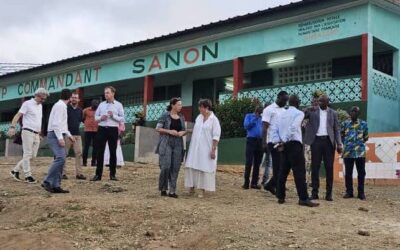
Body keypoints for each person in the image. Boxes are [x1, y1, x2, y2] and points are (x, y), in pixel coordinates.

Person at [271, 95, 319, 207]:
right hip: (294, 144)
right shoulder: (299, 113)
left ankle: (280, 196)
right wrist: (285, 140)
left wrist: (278, 142)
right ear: (297, 103)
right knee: (299, 173)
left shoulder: (281, 113)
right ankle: (303, 198)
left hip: (283, 145)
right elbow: (293, 128)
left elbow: (274, 129)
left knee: (283, 171)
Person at [304, 95, 343, 201]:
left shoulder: (333, 113)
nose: (319, 103)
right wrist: (308, 108)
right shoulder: (313, 111)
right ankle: (314, 193)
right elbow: (303, 114)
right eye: (318, 101)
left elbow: (336, 129)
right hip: (316, 141)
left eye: (321, 101)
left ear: (327, 102)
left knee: (329, 168)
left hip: (328, 142)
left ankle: (328, 194)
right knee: (315, 167)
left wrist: (339, 143)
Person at [8, 88, 49, 183]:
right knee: (27, 154)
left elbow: (38, 120)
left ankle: (15, 170)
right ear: (37, 95)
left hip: (36, 133)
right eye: (42, 98)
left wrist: (39, 133)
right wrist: (12, 127)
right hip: (27, 132)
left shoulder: (40, 106)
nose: (43, 101)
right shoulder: (27, 104)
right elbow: (18, 115)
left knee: (32, 156)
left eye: (44, 99)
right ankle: (28, 175)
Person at [185, 99, 221, 198]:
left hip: (207, 148)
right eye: (199, 107)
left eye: (201, 107)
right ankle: (191, 187)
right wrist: (187, 131)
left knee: (204, 167)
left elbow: (216, 136)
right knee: (192, 165)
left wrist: (213, 150)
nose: (199, 109)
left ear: (207, 108)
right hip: (195, 147)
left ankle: (201, 189)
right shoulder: (199, 118)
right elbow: (197, 129)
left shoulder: (214, 120)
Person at [42, 89, 74, 193]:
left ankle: (56, 185)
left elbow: (62, 125)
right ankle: (47, 181)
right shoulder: (60, 106)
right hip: (55, 135)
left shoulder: (61, 105)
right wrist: (60, 138)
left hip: (57, 133)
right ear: (69, 97)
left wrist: (68, 135)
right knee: (61, 158)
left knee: (61, 158)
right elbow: (56, 124)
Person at [91, 86, 125, 181]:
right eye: (105, 93)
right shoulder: (101, 105)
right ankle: (98, 175)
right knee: (100, 152)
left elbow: (122, 118)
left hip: (113, 129)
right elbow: (96, 117)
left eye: (108, 92)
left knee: (113, 152)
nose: (106, 94)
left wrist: (113, 116)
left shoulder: (118, 105)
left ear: (113, 93)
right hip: (102, 129)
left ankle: (112, 175)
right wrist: (101, 118)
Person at [155, 98, 186, 198]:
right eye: (178, 104)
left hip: (178, 143)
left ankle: (172, 191)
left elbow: (183, 130)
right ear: (173, 105)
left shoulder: (181, 117)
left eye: (181, 105)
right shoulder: (165, 115)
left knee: (175, 167)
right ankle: (163, 188)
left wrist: (182, 132)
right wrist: (169, 131)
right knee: (166, 166)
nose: (180, 106)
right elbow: (158, 128)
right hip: (166, 142)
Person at [262, 91, 289, 195]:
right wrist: (264, 143)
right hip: (272, 142)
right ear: (278, 97)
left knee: (282, 166)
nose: (285, 102)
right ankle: (278, 188)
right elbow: (264, 127)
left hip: (283, 142)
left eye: (286, 101)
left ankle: (270, 185)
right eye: (284, 100)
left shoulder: (284, 110)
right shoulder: (269, 109)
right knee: (278, 166)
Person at [341, 106, 368, 200]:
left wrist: (358, 144)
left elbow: (366, 137)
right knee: (348, 173)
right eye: (352, 111)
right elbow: (342, 135)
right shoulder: (345, 123)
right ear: (349, 113)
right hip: (348, 152)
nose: (353, 113)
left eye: (355, 111)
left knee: (361, 173)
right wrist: (347, 144)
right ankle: (349, 192)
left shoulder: (364, 124)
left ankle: (361, 193)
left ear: (358, 113)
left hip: (360, 152)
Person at [63, 92, 86, 180]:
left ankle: (79, 174)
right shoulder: (65, 108)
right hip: (67, 134)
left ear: (78, 100)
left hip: (77, 135)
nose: (74, 99)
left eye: (76, 98)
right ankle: (63, 173)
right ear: (70, 99)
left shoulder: (80, 110)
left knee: (79, 153)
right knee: (64, 154)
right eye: (72, 98)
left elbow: (81, 121)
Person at [242, 105, 264, 189]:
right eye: (259, 111)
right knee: (249, 162)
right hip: (251, 140)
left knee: (257, 163)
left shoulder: (262, 118)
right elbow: (246, 126)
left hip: (260, 141)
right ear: (256, 111)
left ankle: (254, 183)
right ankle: (246, 182)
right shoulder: (249, 116)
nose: (260, 112)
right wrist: (255, 118)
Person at [82, 99, 100, 167]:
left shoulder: (99, 111)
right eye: (94, 103)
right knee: (86, 146)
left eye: (97, 104)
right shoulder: (85, 110)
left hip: (96, 130)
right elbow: (82, 119)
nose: (96, 105)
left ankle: (93, 162)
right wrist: (87, 123)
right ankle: (84, 162)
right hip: (88, 130)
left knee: (95, 147)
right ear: (91, 104)